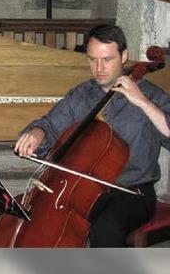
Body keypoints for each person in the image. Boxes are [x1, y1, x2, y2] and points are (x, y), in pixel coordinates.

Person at [14, 24, 170, 247]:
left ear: (124, 56)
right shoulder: (81, 95)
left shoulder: (151, 95)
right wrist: (37, 134)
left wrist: (143, 103)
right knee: (39, 218)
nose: (99, 68)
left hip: (132, 192)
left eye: (107, 59)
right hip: (84, 188)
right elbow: (49, 125)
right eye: (92, 59)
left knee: (105, 229)